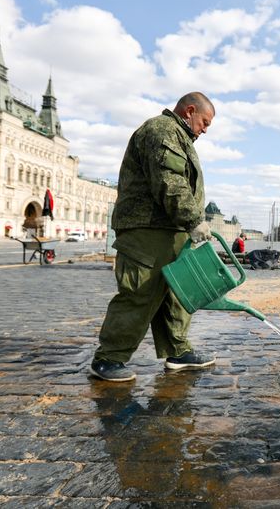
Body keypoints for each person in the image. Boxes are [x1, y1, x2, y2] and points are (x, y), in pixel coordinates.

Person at [90, 92, 216, 382]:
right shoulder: (162, 130)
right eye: (205, 122)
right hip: (147, 229)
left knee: (175, 292)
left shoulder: (179, 136)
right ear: (190, 111)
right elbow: (169, 182)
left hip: (169, 229)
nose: (205, 129)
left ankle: (178, 351)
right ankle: (109, 358)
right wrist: (194, 219)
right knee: (140, 291)